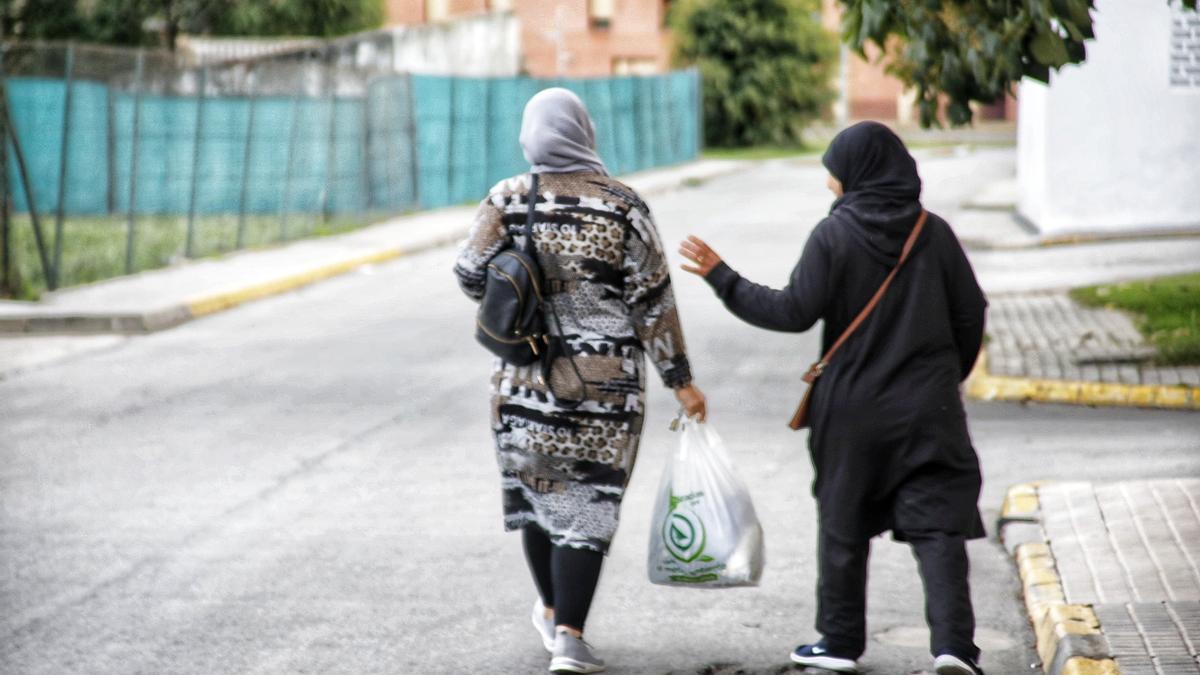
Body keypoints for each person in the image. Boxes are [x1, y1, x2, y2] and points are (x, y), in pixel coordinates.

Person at [678, 121, 987, 675]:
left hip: (853, 411)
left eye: (835, 177)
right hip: (929, 410)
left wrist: (723, 278)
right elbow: (971, 311)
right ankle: (954, 649)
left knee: (844, 522)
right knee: (939, 525)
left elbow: (792, 311)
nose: (832, 187)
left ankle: (839, 643)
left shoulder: (834, 235)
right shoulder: (933, 232)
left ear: (856, 173)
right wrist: (944, 376)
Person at [453, 88, 706, 674]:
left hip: (524, 380)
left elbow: (470, 275)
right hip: (605, 387)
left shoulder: (507, 197)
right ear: (584, 130)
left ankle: (550, 609)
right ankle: (569, 633)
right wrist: (681, 379)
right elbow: (653, 304)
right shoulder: (623, 205)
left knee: (539, 495)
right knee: (589, 503)